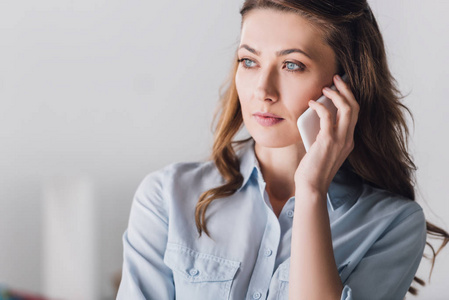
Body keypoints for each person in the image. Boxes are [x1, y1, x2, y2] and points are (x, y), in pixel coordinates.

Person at [117, 0, 449, 299]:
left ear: (345, 84)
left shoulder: (392, 224)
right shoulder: (167, 197)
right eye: (248, 61)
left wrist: (312, 192)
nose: (263, 90)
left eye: (291, 65)